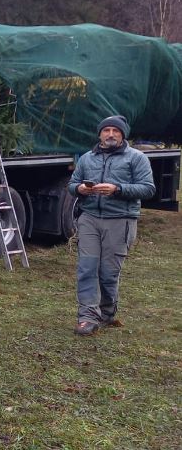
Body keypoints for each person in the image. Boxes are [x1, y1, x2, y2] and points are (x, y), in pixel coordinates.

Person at [67, 115, 155, 336]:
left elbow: (148, 188)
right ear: (100, 135)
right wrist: (80, 189)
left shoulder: (136, 158)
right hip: (89, 218)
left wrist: (118, 189)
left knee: (108, 273)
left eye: (116, 131)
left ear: (123, 135)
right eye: (106, 131)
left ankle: (106, 312)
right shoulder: (87, 158)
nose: (111, 134)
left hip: (120, 220)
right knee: (87, 268)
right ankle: (88, 317)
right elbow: (72, 184)